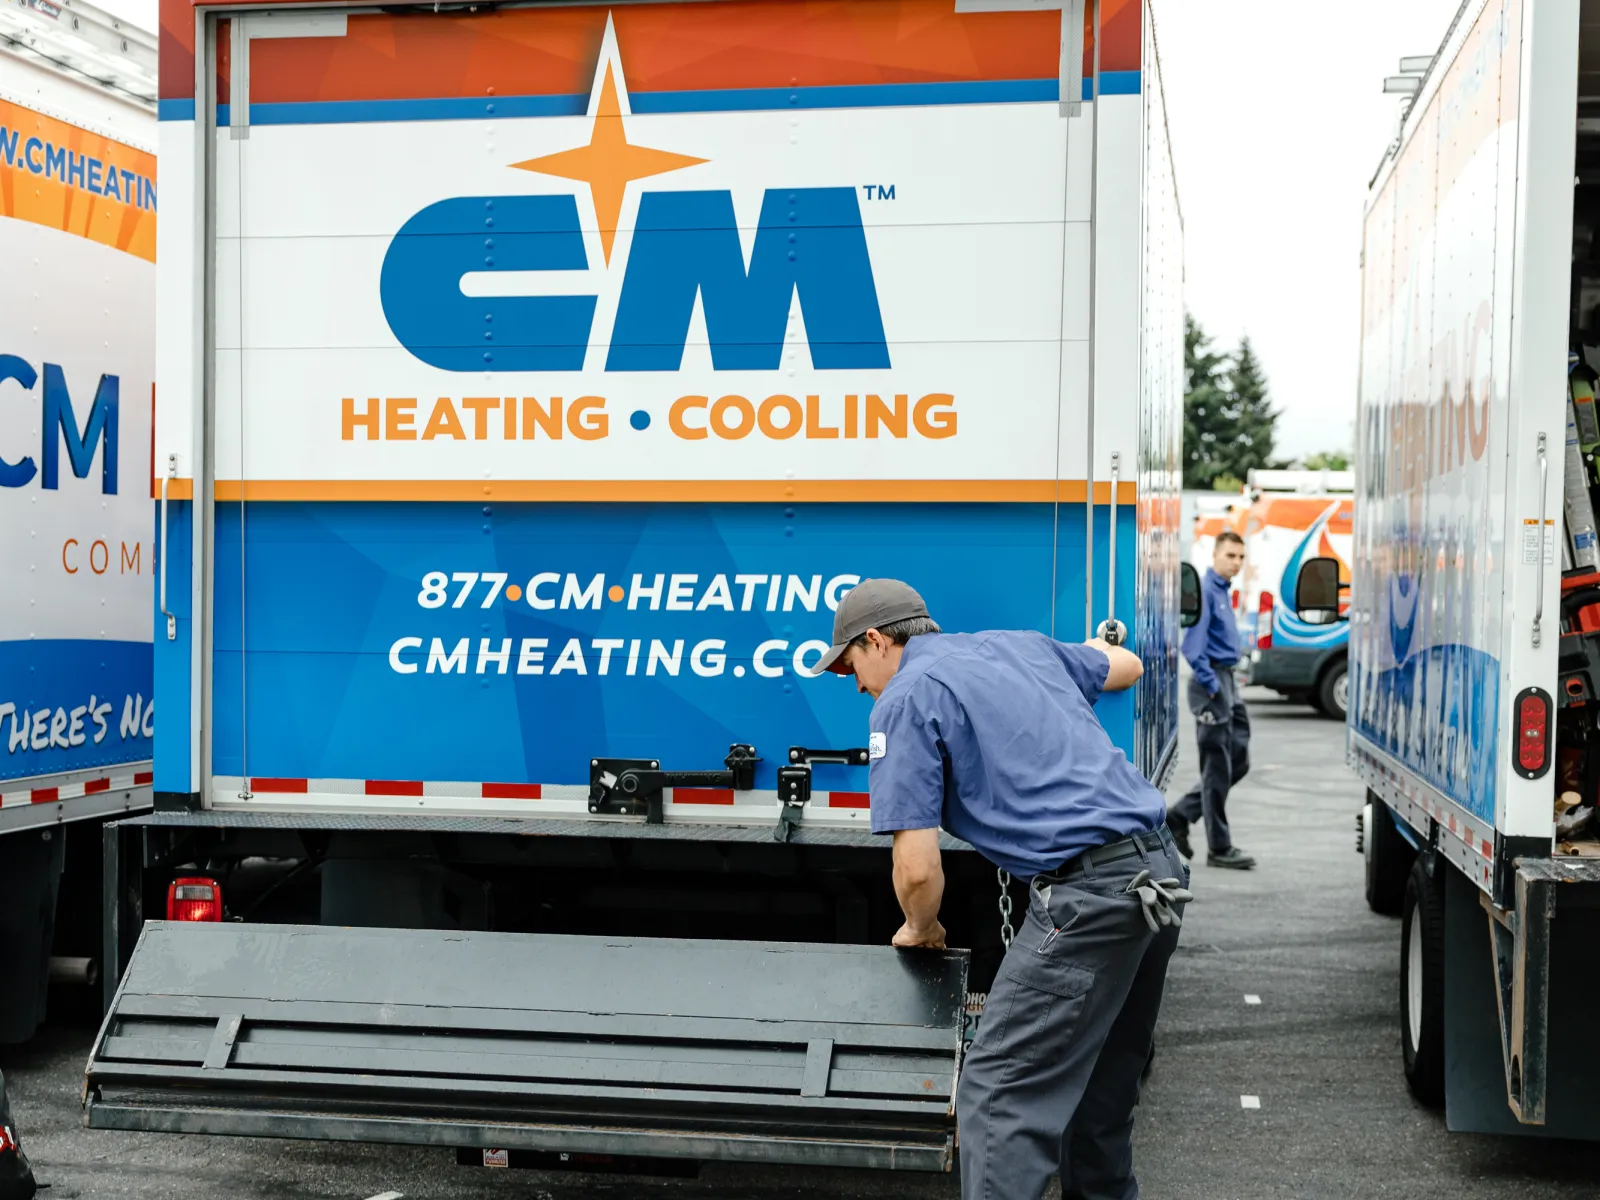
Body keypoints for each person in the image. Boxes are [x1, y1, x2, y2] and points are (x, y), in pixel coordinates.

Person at [812, 579, 1190, 1200]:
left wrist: (921, 926)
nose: (855, 684)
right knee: (1101, 1084)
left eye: (851, 665)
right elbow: (1122, 664)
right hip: (1159, 878)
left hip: (1088, 899)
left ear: (876, 640)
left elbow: (915, 868)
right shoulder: (1019, 647)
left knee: (996, 1091)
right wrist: (1098, 648)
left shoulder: (905, 699)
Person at [1168, 529, 1255, 868]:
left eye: (1241, 557)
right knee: (1217, 768)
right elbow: (1191, 647)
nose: (1236, 562)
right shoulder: (1205, 591)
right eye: (1230, 555)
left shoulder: (1222, 591)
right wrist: (1212, 685)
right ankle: (1219, 848)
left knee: (1239, 760)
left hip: (1227, 682)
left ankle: (1180, 815)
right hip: (1213, 684)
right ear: (1215, 555)